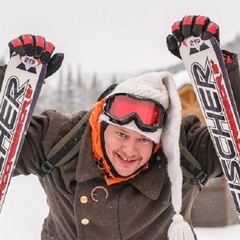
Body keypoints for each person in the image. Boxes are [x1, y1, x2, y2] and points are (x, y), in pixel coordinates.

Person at [3, 15, 239, 240]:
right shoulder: (59, 139)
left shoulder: (183, 149)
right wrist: (9, 82)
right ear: (101, 126)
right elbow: (6, 136)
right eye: (121, 134)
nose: (129, 150)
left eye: (144, 139)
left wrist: (225, 74)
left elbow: (235, 136)